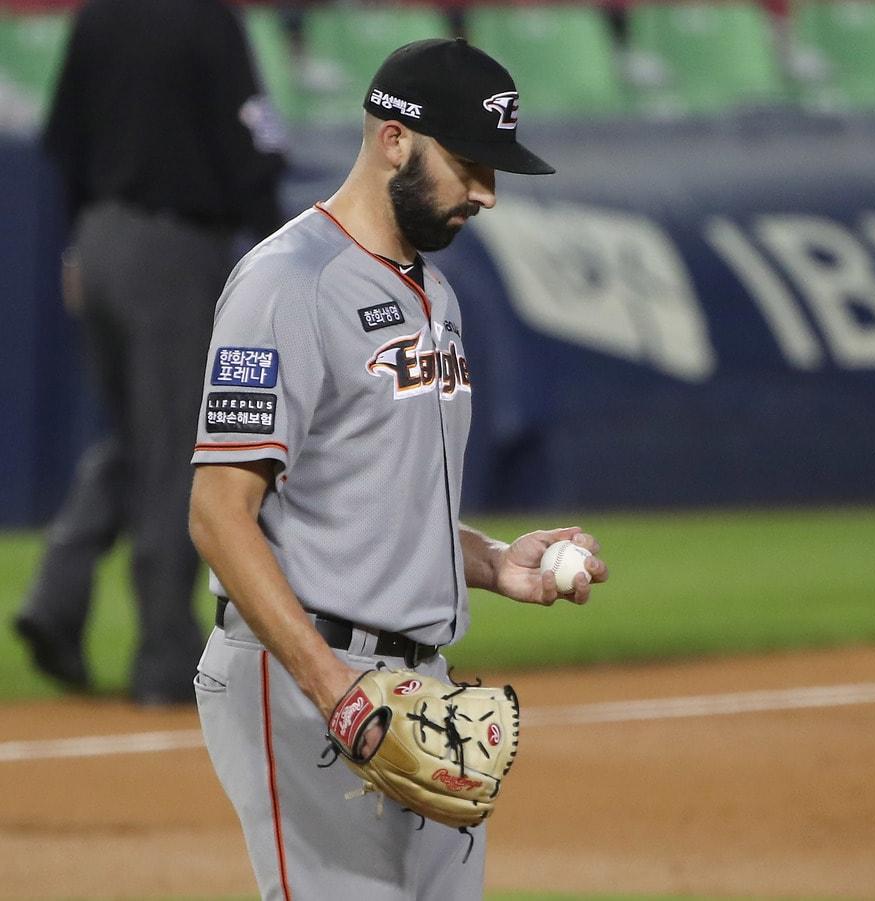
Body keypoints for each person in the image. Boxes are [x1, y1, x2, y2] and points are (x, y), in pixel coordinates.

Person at [187, 39, 608, 900]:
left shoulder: (435, 292)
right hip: (306, 676)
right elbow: (218, 513)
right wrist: (335, 691)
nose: (486, 192)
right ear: (393, 139)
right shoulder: (286, 284)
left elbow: (367, 495)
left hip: (422, 688)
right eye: (469, 163)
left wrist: (492, 561)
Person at [14, 0, 286, 704]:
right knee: (175, 452)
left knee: (139, 439)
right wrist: (286, 262)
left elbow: (63, 140)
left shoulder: (99, 15)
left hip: (101, 239)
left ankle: (56, 596)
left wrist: (80, 242)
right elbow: (251, 151)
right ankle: (166, 657)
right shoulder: (207, 19)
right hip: (173, 249)